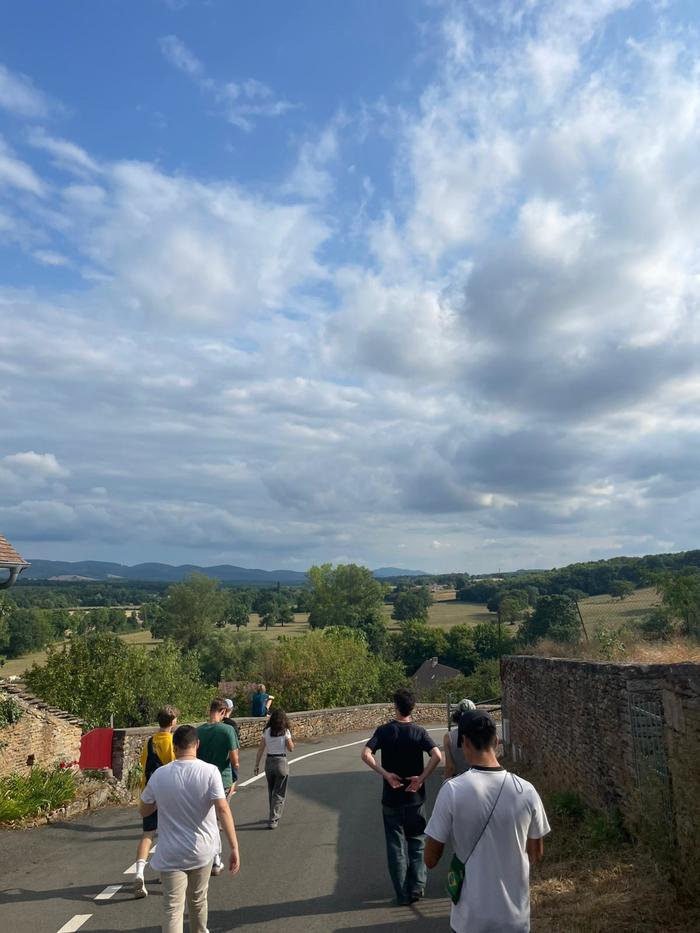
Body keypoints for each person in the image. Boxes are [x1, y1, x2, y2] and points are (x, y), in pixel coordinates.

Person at [425, 709, 550, 933]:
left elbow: (430, 859)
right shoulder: (527, 790)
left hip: (469, 920)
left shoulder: (452, 791)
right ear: (496, 740)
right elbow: (536, 853)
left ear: (463, 742)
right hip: (515, 918)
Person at [140, 724, 240, 933]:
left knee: (172, 907)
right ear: (197, 745)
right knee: (197, 900)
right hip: (201, 850)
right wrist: (234, 847)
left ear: (174, 747)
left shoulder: (160, 774)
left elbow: (145, 810)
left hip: (170, 852)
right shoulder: (210, 771)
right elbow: (222, 809)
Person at [361, 688, 443, 905]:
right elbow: (437, 755)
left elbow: (365, 754)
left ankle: (402, 893)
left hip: (391, 797)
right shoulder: (419, 732)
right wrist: (422, 777)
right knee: (417, 842)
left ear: (396, 707)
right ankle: (417, 887)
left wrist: (386, 774)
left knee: (395, 847)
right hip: (415, 798)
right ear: (412, 708)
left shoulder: (384, 731)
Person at [133, 705, 179, 899]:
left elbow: (143, 765)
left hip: (150, 793)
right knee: (167, 835)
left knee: (147, 834)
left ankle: (139, 873)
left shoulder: (150, 741)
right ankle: (163, 874)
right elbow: (176, 767)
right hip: (167, 794)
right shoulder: (172, 742)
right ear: (174, 721)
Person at [197, 698, 240, 875]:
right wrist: (234, 776)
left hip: (200, 779)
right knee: (217, 820)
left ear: (210, 710)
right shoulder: (228, 729)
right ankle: (216, 860)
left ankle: (204, 856)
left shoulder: (198, 731)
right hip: (221, 779)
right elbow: (235, 760)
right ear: (223, 712)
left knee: (203, 819)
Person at [254, 708, 294, 828]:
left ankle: (272, 814)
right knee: (279, 792)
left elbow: (261, 748)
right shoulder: (285, 731)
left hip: (269, 762)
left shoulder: (267, 731)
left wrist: (256, 764)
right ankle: (273, 819)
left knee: (271, 790)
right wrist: (290, 741)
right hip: (281, 761)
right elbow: (291, 748)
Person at [442, 698, 476, 779]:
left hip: (458, 780)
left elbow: (450, 767)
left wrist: (445, 782)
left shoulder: (448, 737)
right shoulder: (482, 734)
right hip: (478, 779)